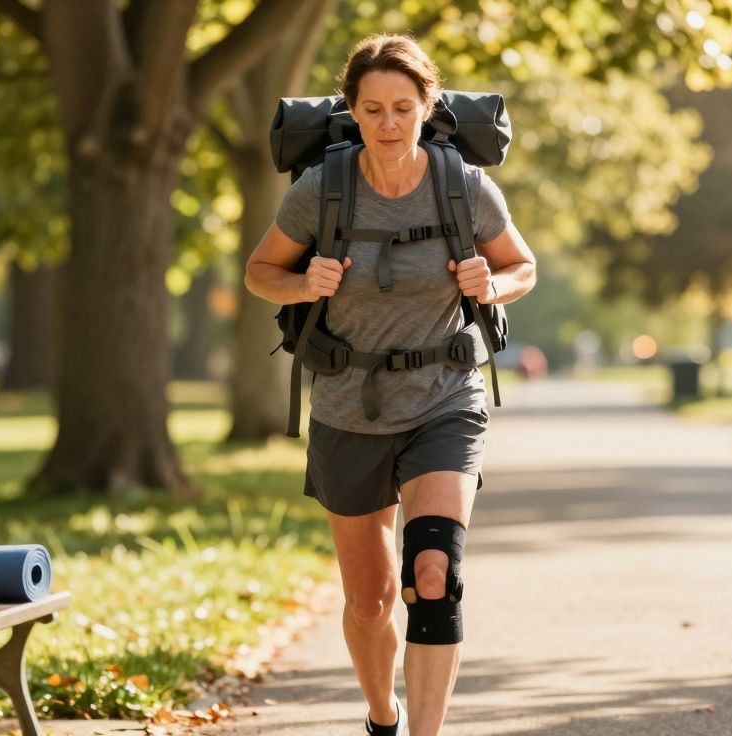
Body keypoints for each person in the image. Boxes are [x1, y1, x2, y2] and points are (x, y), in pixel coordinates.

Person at [244, 34, 536, 736]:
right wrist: (302, 279)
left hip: (445, 398)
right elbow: (261, 272)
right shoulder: (326, 188)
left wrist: (490, 285)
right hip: (348, 406)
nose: (388, 122)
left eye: (403, 107)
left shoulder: (461, 184)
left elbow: (523, 266)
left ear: (427, 105)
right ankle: (383, 717)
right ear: (352, 110)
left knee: (432, 576)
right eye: (372, 108)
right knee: (370, 601)